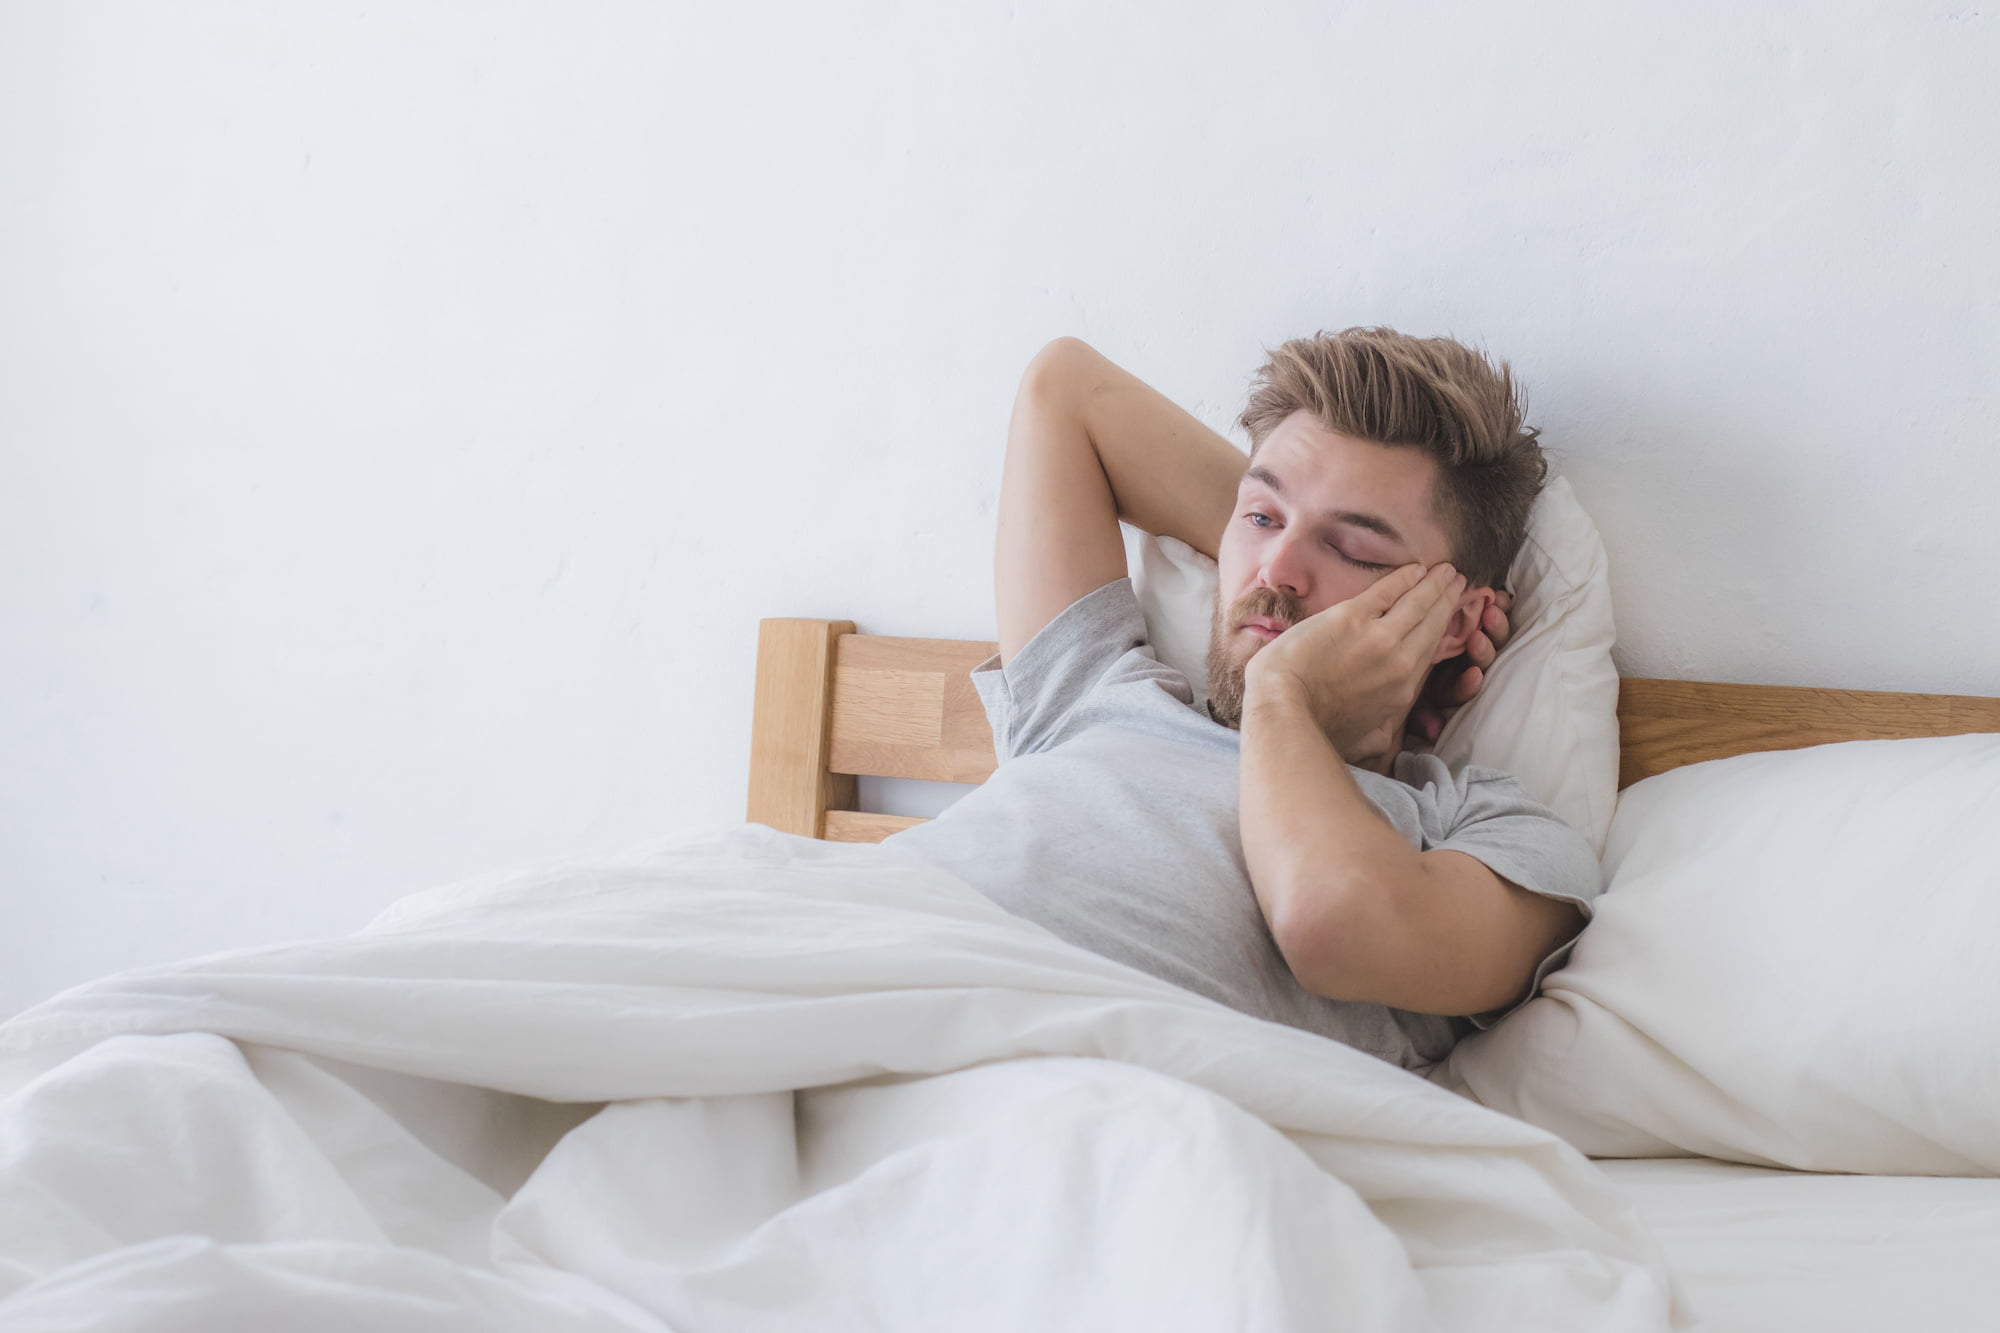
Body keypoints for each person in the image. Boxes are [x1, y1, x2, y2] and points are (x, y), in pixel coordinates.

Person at [884, 330, 1602, 1071]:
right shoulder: (1092, 692)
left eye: (1355, 549)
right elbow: (1064, 387)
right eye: (1260, 519)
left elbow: (1332, 928)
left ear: (1451, 621)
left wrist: (1283, 695)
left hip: (1036, 1080)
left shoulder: (1493, 833)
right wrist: (1287, 542)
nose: (1277, 568)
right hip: (870, 938)